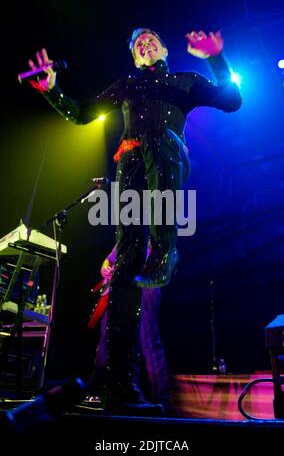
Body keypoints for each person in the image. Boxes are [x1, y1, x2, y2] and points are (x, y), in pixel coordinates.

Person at [26, 28, 242, 411]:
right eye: (137, 43)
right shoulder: (127, 85)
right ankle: (119, 388)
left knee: (159, 142)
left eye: (151, 38)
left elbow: (232, 99)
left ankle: (164, 249)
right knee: (124, 273)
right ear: (134, 58)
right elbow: (81, 113)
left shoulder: (184, 81)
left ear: (163, 48)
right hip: (133, 170)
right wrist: (52, 90)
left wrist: (215, 58)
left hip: (168, 159)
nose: (144, 43)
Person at [88, 244, 169, 408]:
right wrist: (106, 269)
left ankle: (161, 399)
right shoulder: (125, 234)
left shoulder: (156, 226)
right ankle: (96, 393)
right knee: (107, 340)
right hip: (119, 287)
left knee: (148, 340)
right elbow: (108, 260)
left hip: (145, 284)